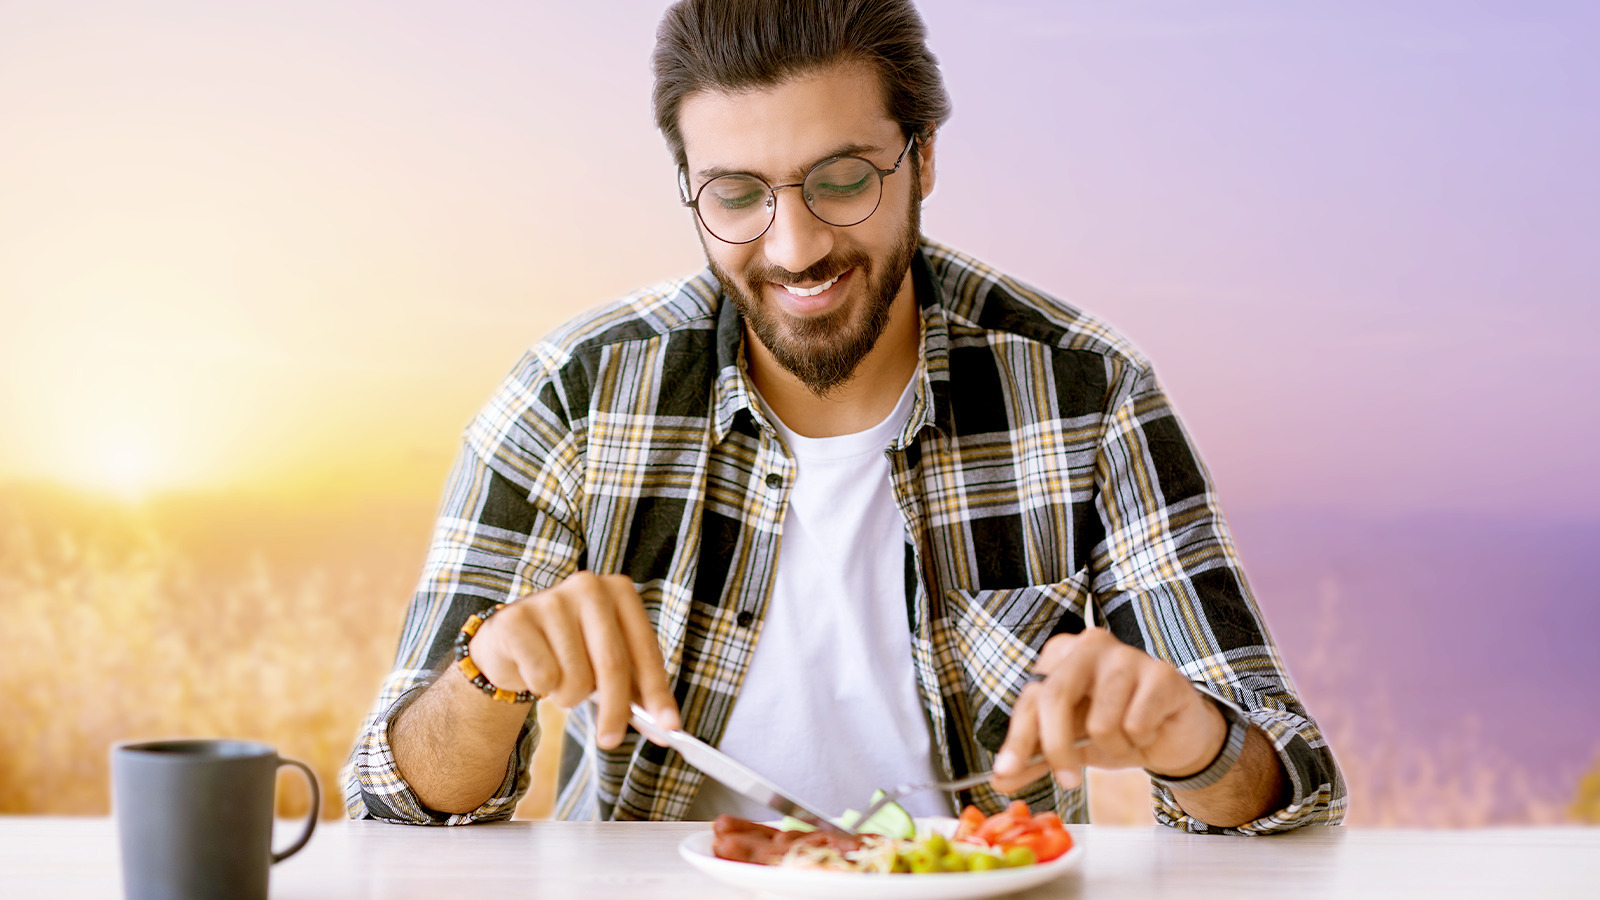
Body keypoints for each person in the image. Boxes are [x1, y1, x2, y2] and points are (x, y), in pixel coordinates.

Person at [343, 0, 1345, 834]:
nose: (793, 248)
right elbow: (396, 801)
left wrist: (1193, 739)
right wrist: (490, 674)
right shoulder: (574, 394)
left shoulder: (1084, 390)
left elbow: (1292, 796)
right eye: (737, 195)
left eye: (841, 180)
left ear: (923, 160)